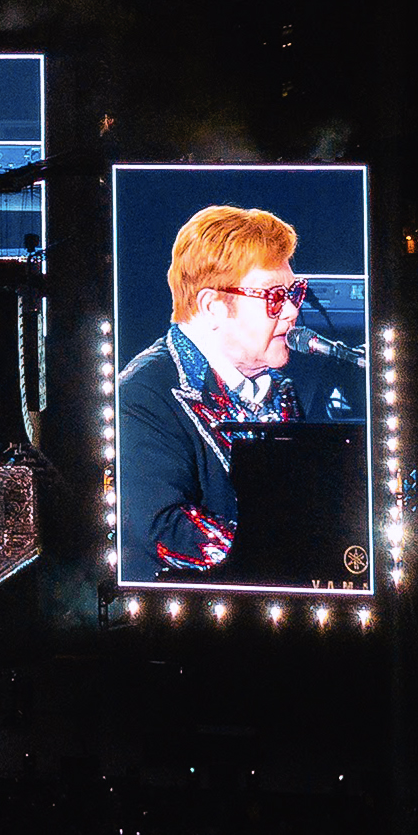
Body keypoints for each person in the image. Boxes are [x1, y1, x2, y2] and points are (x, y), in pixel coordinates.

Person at [116, 204, 307, 579]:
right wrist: (295, 554)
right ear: (212, 306)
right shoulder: (142, 394)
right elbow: (163, 527)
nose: (290, 312)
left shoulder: (282, 391)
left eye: (294, 293)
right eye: (273, 296)